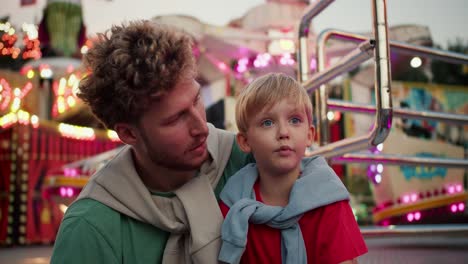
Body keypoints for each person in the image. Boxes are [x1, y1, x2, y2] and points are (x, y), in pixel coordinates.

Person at [50, 20, 253, 264]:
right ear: (129, 134)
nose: (201, 127)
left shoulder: (250, 159)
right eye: (175, 119)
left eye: (197, 99)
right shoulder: (90, 228)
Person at [218, 73, 368, 264]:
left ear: (309, 135)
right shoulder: (233, 203)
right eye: (267, 122)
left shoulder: (329, 198)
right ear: (245, 141)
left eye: (295, 120)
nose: (283, 132)